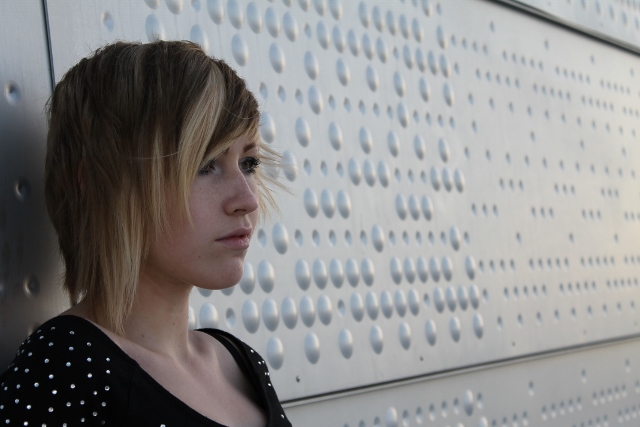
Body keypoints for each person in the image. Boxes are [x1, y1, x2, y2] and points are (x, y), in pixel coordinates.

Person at [0, 40, 291, 426]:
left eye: (248, 162)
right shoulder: (64, 373)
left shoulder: (240, 362)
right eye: (205, 163)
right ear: (100, 184)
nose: (247, 200)